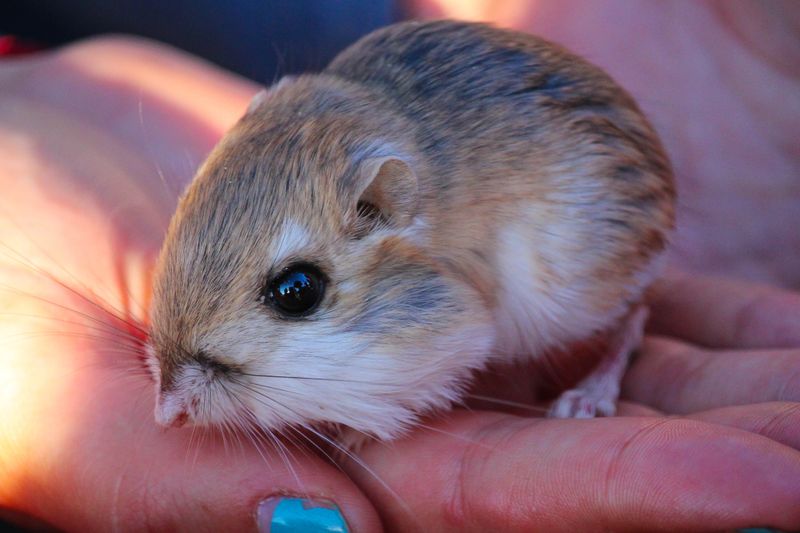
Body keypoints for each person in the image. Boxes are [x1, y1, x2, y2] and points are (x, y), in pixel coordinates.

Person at [0, 1, 798, 530]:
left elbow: (454, 335)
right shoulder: (309, 150)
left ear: (383, 207)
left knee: (562, 294)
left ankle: (624, 336)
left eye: (294, 291)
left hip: (575, 184)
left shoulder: (389, 206)